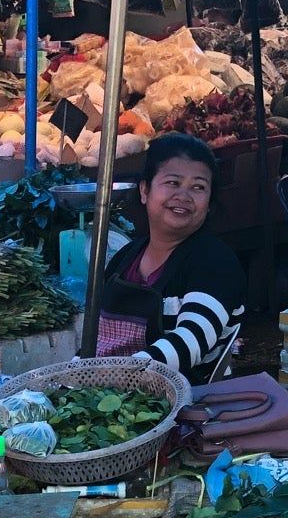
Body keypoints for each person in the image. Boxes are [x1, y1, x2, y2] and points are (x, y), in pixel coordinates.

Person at [96, 133, 247, 383]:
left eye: (198, 187)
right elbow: (95, 340)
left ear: (209, 203)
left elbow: (192, 341)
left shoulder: (215, 261)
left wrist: (119, 376)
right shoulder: (123, 260)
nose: (184, 196)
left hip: (190, 405)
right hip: (108, 400)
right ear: (145, 190)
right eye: (173, 183)